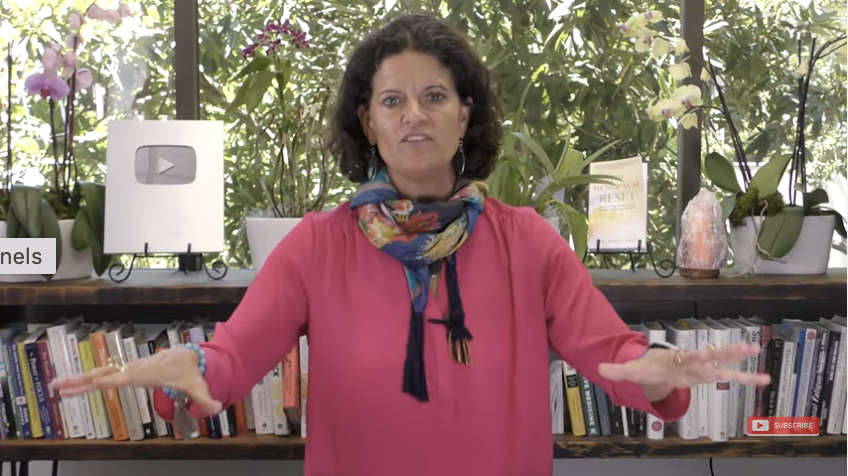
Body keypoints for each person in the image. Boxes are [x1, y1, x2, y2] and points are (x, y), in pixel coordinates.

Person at [53, 13, 769, 476]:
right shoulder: (315, 246)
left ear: (466, 113)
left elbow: (610, 355)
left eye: (434, 96)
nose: (414, 115)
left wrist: (660, 370)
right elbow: (235, 358)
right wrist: (192, 367)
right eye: (392, 101)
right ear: (367, 123)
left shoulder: (530, 243)